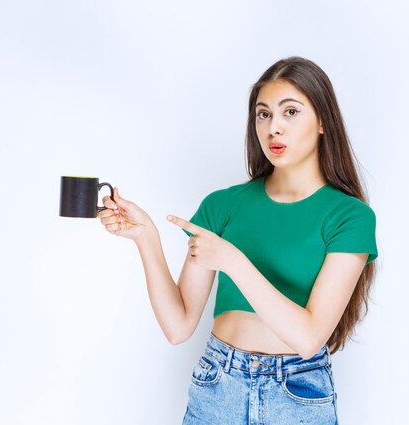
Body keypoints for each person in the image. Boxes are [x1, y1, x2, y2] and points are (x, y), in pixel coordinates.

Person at [97, 56, 378, 424]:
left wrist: (232, 260)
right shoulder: (223, 205)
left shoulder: (349, 216)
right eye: (263, 114)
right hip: (217, 385)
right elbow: (178, 326)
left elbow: (310, 338)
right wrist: (146, 238)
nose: (274, 127)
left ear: (323, 121)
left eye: (290, 112)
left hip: (298, 393)